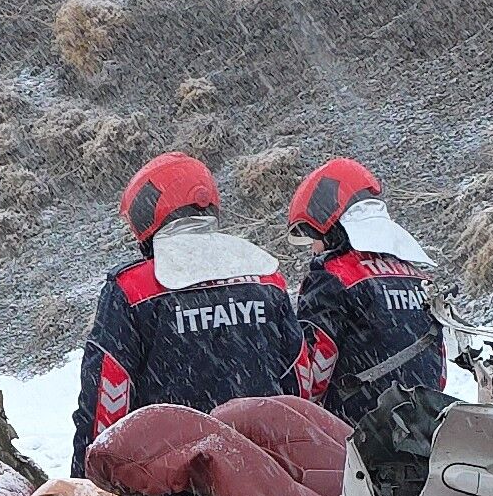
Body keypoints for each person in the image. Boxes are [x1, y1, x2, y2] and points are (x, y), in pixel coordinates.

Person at [70, 153, 315, 472]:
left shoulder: (132, 288)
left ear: (148, 213)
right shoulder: (266, 276)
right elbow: (299, 378)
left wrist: (88, 474)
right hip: (266, 469)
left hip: (172, 475)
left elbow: (107, 393)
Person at [286, 157, 447, 423]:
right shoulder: (417, 278)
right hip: (424, 427)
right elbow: (439, 371)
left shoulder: (332, 277)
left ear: (331, 227)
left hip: (359, 432)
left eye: (314, 238)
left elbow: (313, 377)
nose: (313, 249)